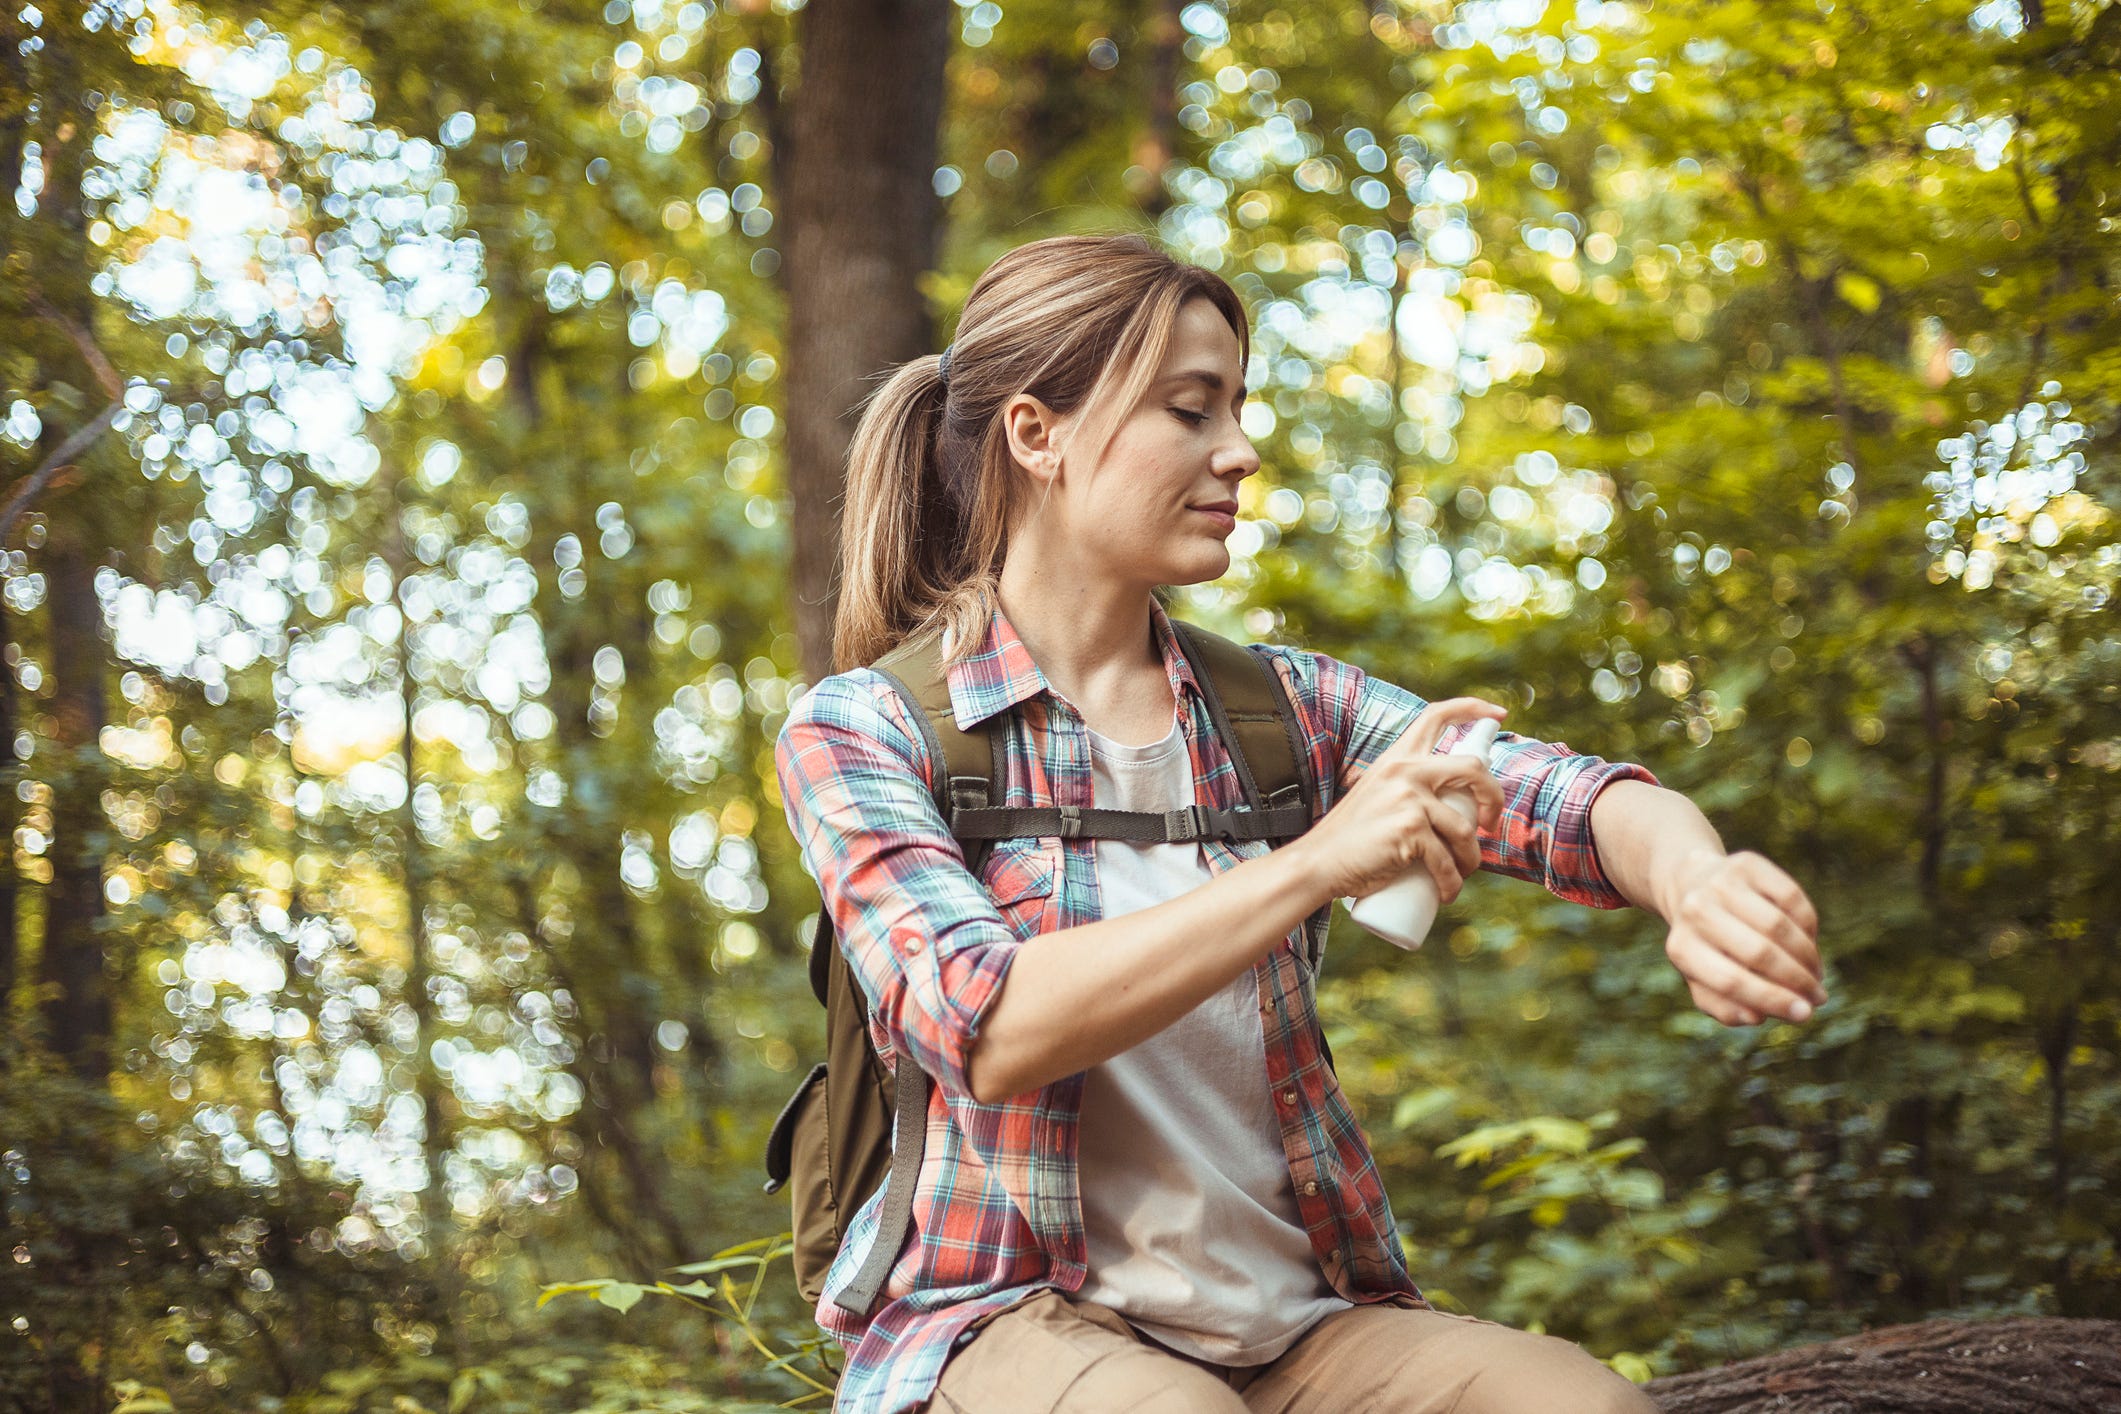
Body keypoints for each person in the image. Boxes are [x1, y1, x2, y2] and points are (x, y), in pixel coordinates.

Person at [773, 233, 1826, 1414]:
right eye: (1190, 408)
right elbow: (985, 1025)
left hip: (1296, 1329)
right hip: (1012, 1317)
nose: (1241, 450)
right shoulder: (865, 730)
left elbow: (1569, 801)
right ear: (1038, 435)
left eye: (1237, 405)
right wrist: (1319, 862)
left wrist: (1698, 880)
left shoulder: (1279, 709)